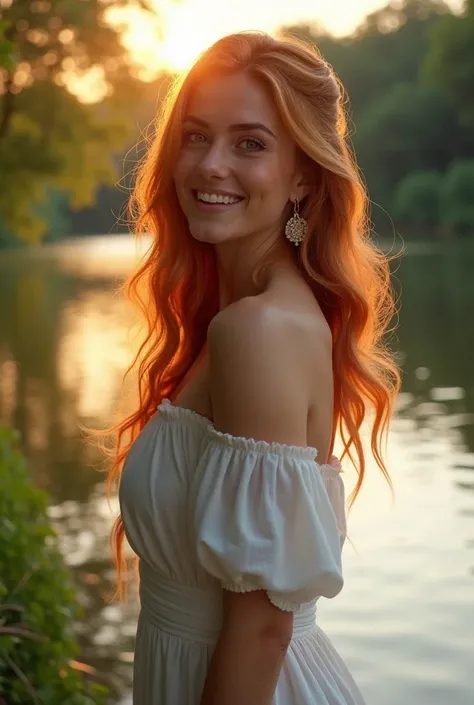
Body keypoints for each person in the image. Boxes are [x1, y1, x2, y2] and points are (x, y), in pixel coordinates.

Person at [111, 31, 400, 705]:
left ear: (303, 173)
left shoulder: (260, 330)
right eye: (195, 136)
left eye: (250, 143)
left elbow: (263, 628)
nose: (211, 164)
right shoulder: (247, 316)